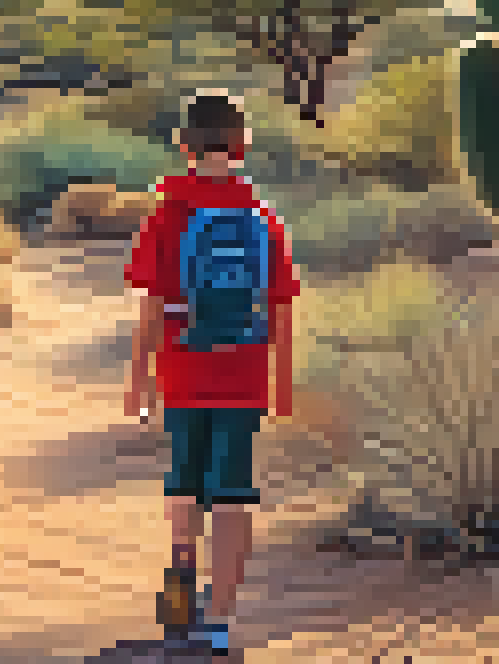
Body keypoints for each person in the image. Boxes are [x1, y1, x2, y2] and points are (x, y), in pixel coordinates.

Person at [125, 91, 299, 652]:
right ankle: (218, 621)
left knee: (185, 482)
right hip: (244, 372)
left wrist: (139, 380)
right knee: (231, 495)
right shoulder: (263, 218)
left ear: (185, 145)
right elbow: (281, 307)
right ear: (242, 144)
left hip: (183, 369)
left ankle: (181, 588)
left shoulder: (167, 217)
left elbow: (152, 308)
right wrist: (282, 386)